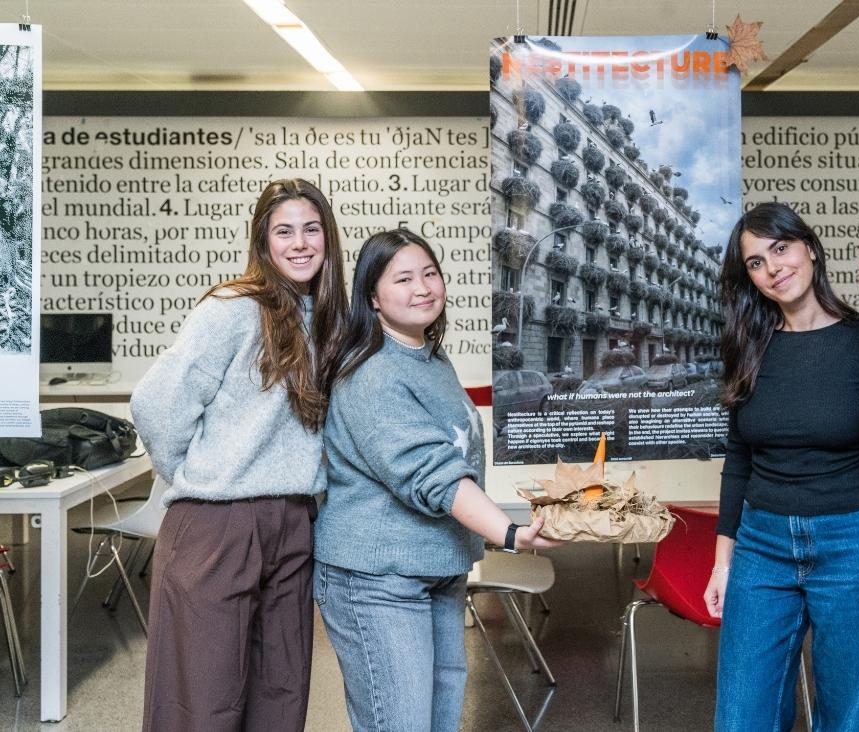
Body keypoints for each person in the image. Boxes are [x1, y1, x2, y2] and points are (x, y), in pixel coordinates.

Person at [314, 228, 561, 732]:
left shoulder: (427, 354)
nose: (423, 287)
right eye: (403, 278)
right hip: (378, 580)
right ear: (372, 298)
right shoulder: (371, 372)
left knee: (439, 720)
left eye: (429, 273)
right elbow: (434, 473)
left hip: (436, 568)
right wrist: (511, 534)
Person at [132, 178, 349, 731]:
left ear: (328, 238)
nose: (299, 243)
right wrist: (196, 477)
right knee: (202, 702)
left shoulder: (328, 318)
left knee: (281, 695)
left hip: (294, 523)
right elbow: (156, 405)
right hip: (217, 522)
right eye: (284, 231)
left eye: (311, 229)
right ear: (263, 241)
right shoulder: (231, 308)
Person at [703, 202, 859, 731]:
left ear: (809, 248)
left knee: (850, 719)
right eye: (756, 262)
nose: (773, 268)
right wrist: (724, 562)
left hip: (854, 542)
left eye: (781, 248)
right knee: (742, 717)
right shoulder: (749, 345)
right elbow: (738, 459)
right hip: (762, 545)